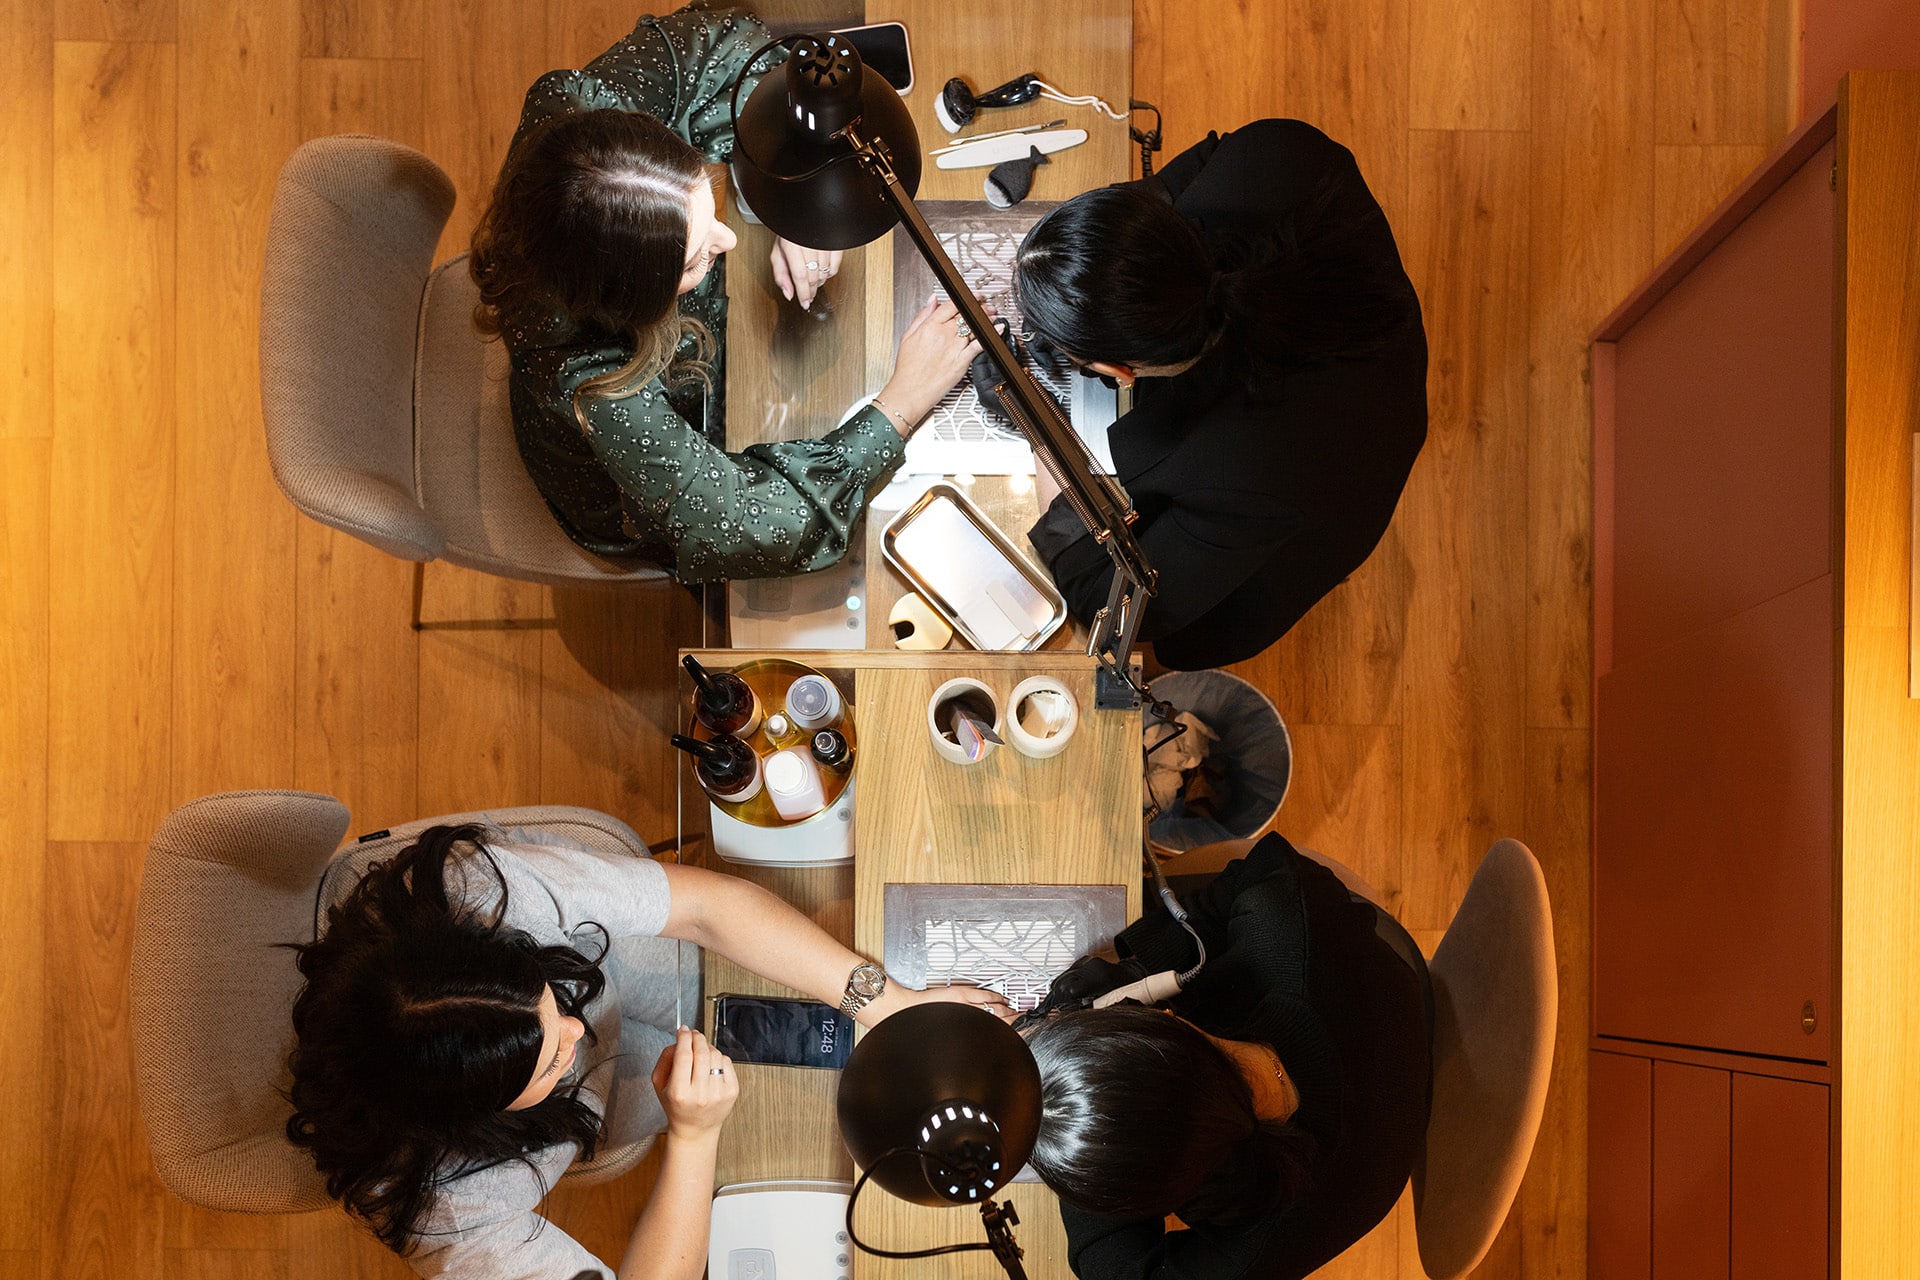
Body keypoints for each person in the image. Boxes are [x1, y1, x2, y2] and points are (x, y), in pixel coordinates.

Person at [285, 822, 1009, 1279]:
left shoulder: (478, 897)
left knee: (826, 992)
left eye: (547, 1001)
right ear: (471, 1121)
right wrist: (694, 1139)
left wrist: (890, 1004)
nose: (574, 1031)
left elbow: (706, 906)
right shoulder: (444, 1212)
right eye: (547, 1061)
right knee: (795, 1137)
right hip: (605, 1112)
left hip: (624, 962)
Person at [469, 1, 979, 582]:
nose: (727, 241)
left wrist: (783, 181)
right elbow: (749, 526)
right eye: (692, 260)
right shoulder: (593, 384)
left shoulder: (576, 112)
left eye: (703, 205)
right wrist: (901, 406)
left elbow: (722, 37)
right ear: (633, 304)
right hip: (622, 486)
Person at [1013, 118, 1428, 670]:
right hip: (1367, 328)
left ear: (1118, 369)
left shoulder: (1230, 471)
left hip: (1346, 464)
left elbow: (1114, 608)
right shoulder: (1274, 153)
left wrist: (1043, 430)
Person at [1019, 834, 1433, 1280]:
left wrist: (1084, 1143)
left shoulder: (1264, 1239)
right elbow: (1263, 865)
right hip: (1382, 1006)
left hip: (1382, 1077)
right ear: (1174, 1020)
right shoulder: (1278, 914)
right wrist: (1141, 966)